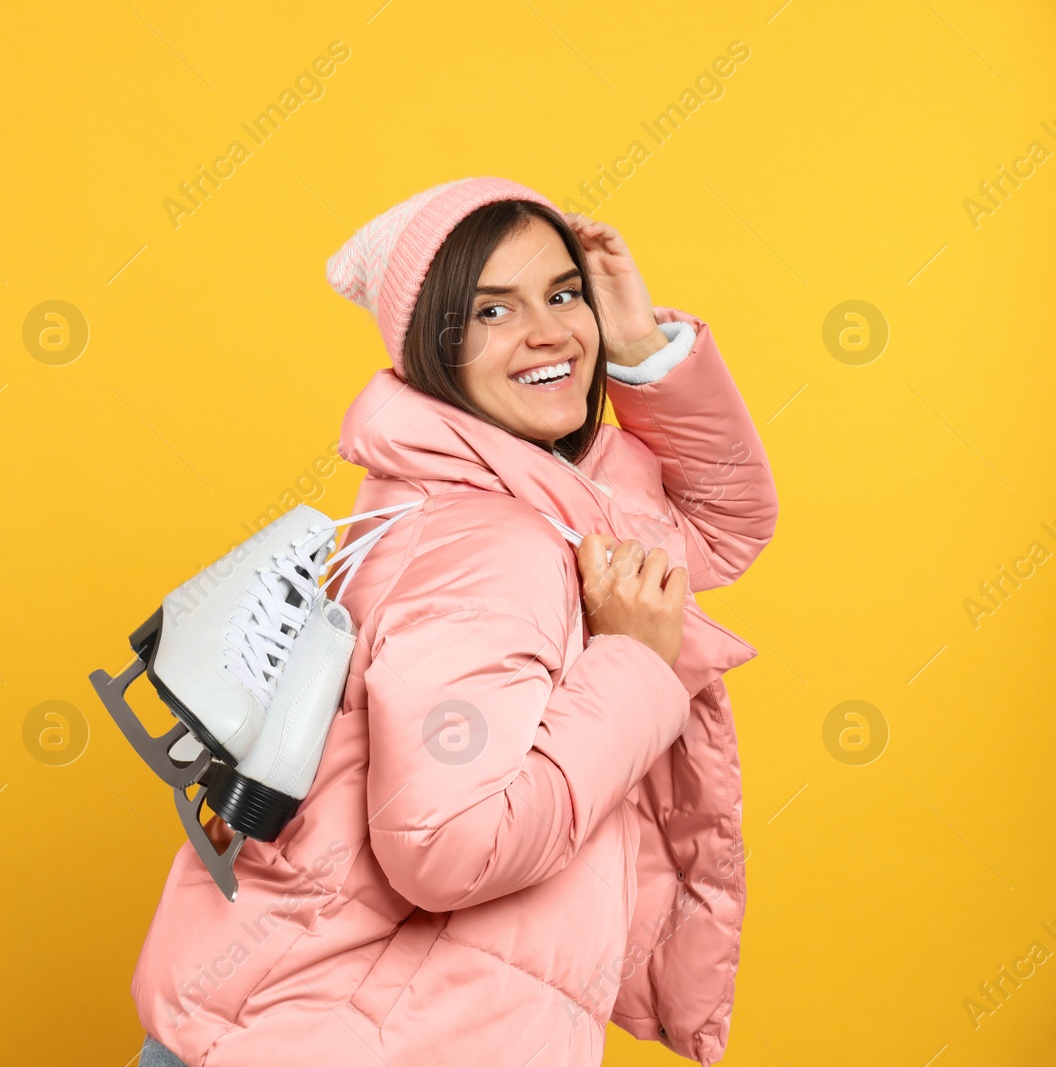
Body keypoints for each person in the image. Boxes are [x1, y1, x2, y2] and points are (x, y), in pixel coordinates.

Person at [131, 176, 778, 1066]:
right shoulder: (490, 544)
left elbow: (718, 525)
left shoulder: (539, 494)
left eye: (562, 294)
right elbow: (447, 845)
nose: (550, 332)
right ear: (433, 350)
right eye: (492, 312)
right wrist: (631, 663)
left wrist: (639, 348)